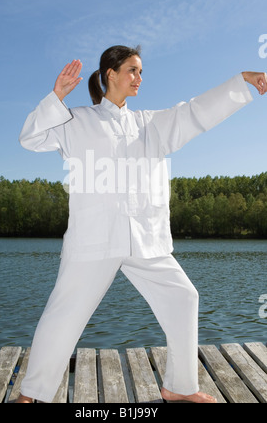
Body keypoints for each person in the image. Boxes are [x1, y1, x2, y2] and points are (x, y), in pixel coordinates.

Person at [17, 45, 267, 403]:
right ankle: (32, 394)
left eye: (141, 71)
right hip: (94, 240)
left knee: (183, 297)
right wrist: (56, 97)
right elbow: (30, 138)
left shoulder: (151, 124)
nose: (139, 78)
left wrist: (241, 83)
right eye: (132, 70)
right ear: (111, 74)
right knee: (63, 315)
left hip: (144, 239)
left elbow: (196, 113)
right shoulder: (76, 120)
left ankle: (179, 388)